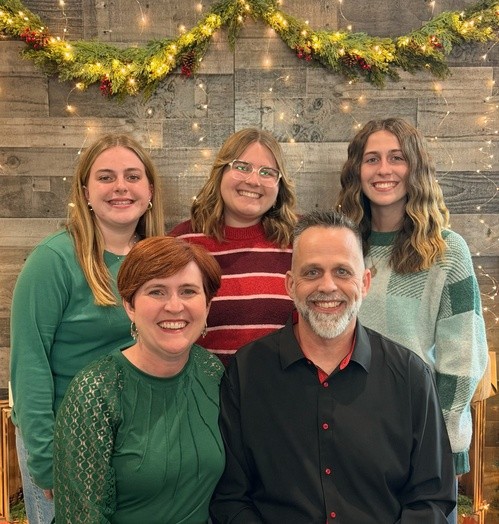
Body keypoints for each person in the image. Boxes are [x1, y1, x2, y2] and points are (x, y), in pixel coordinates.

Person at [210, 210, 456, 523]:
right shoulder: (247, 372)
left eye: (342, 271)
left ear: (364, 283)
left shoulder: (410, 376)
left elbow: (432, 499)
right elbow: (230, 498)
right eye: (312, 272)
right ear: (290, 285)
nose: (327, 286)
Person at [335, 117, 488, 519]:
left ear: (415, 168)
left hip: (419, 438)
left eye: (397, 158)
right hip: (346, 433)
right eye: (372, 159)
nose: (383, 170)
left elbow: (463, 360)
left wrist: (449, 446)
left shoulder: (447, 252)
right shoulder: (343, 249)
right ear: (357, 171)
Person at [9, 133, 165, 524]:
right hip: (65, 442)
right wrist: (46, 461)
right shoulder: (52, 260)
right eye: (106, 177)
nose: (120, 187)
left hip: (132, 440)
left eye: (132, 176)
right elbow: (29, 364)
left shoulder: (160, 259)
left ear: (149, 190)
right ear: (85, 193)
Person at [53, 236, 224, 523]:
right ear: (129, 306)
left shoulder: (212, 372)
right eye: (157, 291)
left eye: (188, 291)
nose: (174, 306)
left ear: (206, 306)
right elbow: (81, 517)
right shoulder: (95, 392)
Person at [170, 127, 298, 367]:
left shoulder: (299, 241)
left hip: (283, 385)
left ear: (279, 184)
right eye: (241, 167)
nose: (253, 181)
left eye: (267, 172)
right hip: (206, 386)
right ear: (221, 172)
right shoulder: (182, 241)